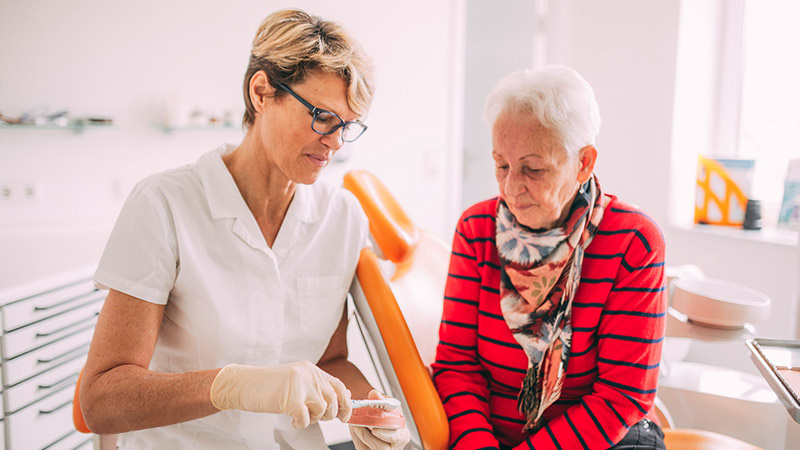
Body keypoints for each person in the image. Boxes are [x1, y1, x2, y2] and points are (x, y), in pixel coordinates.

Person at [80, 9, 410, 450]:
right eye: (323, 117)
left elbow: (330, 359)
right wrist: (230, 386)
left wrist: (370, 408)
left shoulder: (342, 216)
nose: (334, 140)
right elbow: (101, 401)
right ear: (261, 92)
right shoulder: (165, 204)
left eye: (347, 126)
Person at [432, 66, 667, 449]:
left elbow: (621, 395)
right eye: (501, 165)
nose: (511, 188)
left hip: (608, 439)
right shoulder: (476, 229)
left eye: (533, 169)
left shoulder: (634, 240)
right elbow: (457, 364)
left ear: (584, 163)